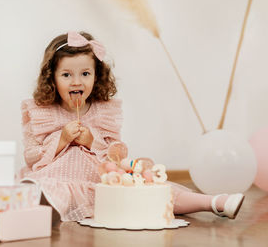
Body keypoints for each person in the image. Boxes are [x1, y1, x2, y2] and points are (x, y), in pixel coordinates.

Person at [19, 31, 245, 222]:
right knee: (36, 191)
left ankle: (214, 202)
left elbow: (116, 153)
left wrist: (91, 140)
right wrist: (62, 139)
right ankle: (31, 216)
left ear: (96, 77)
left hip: (102, 180)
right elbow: (32, 157)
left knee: (150, 191)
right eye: (67, 75)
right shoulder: (43, 112)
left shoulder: (104, 111)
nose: (77, 81)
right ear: (52, 78)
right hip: (59, 180)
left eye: (85, 73)